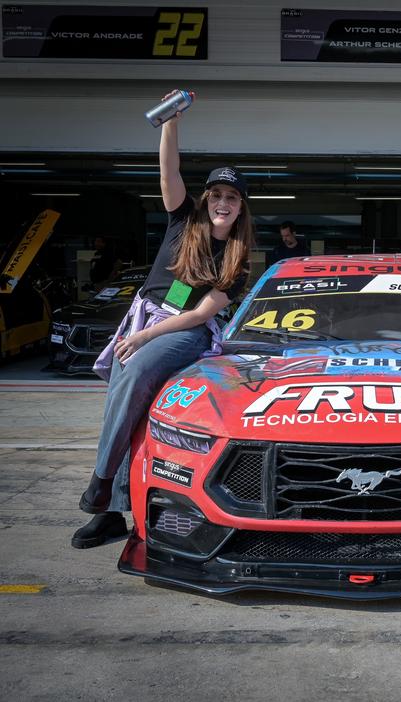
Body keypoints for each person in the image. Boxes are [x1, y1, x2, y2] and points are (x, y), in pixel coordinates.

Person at [71, 94, 253, 548]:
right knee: (127, 402)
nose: (223, 203)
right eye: (217, 195)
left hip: (186, 331)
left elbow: (199, 313)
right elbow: (168, 172)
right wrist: (171, 122)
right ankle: (115, 511)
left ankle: (100, 482)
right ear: (207, 198)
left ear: (240, 207)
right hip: (145, 315)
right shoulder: (182, 222)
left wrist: (147, 335)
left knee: (130, 372)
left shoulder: (238, 258)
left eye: (232, 197)